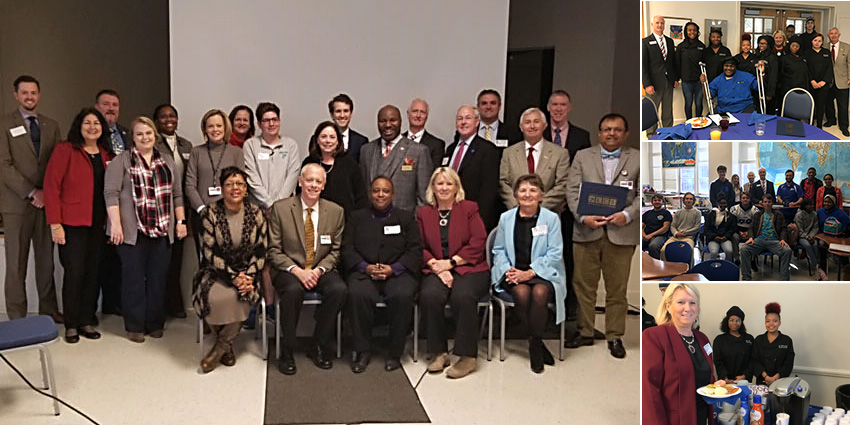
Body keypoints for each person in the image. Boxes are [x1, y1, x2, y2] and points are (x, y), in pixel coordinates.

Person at [104, 116, 188, 342]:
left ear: (155, 135)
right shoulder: (121, 161)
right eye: (139, 133)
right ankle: (134, 325)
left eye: (148, 133)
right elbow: (111, 194)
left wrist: (181, 222)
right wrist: (116, 225)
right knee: (133, 279)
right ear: (133, 137)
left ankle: (154, 323)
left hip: (162, 229)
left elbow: (177, 194)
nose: (144, 137)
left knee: (158, 279)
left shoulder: (168, 160)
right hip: (132, 232)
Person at [566, 113, 638, 359]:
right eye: (607, 129)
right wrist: (583, 217)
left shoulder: (637, 158)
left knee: (617, 289)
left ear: (625, 134)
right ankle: (585, 331)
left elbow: (645, 194)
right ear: (599, 133)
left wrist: (627, 215)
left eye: (617, 130)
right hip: (587, 229)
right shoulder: (582, 157)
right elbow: (572, 191)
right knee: (583, 286)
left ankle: (615, 335)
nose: (611, 134)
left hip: (621, 232)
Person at [267, 164, 346, 375]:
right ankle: (287, 350)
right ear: (300, 181)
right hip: (288, 269)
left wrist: (318, 271)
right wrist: (297, 271)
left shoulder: (336, 212)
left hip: (320, 268)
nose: (313, 185)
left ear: (324, 185)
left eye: (318, 181)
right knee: (293, 291)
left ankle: (319, 345)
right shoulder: (281, 208)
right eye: (309, 180)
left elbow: (336, 251)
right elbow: (273, 250)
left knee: (338, 289)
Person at [44, 108, 113, 342]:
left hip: (98, 224)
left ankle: (86, 319)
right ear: (78, 126)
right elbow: (51, 187)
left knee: (93, 273)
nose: (92, 127)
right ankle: (71, 324)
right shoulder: (66, 150)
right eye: (87, 123)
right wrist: (55, 224)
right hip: (72, 223)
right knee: (74, 273)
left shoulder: (106, 154)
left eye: (97, 123)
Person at [342, 176, 421, 373]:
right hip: (365, 271)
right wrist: (365, 267)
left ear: (393, 194)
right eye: (376, 190)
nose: (380, 194)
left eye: (385, 191)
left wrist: (393, 269)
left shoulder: (406, 218)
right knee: (358, 294)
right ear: (370, 193)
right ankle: (362, 350)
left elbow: (415, 250)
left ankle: (394, 352)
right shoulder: (356, 217)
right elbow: (347, 249)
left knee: (402, 296)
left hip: (398, 273)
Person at [417, 168, 490, 379]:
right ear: (432, 187)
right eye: (439, 183)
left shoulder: (469, 208)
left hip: (469, 267)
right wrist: (435, 265)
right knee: (430, 295)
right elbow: (418, 246)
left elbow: (478, 242)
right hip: (435, 267)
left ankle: (467, 356)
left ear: (457, 187)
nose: (444, 188)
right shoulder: (424, 213)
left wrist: (450, 264)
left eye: (449, 184)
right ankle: (438, 353)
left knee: (463, 296)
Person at [192, 167, 267, 373]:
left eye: (240, 184)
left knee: (242, 296)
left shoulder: (257, 213)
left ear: (246, 188)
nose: (235, 188)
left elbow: (261, 251)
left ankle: (220, 348)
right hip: (216, 272)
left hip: (249, 274)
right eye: (230, 184)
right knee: (214, 298)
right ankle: (227, 346)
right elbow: (209, 252)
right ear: (222, 188)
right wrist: (234, 277)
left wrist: (248, 276)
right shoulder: (209, 213)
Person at [0, 75, 62, 321]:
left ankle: (48, 311)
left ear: (39, 95)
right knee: (16, 264)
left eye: (33, 92)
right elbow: (4, 166)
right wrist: (31, 192)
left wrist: (47, 193)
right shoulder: (4, 124)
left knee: (46, 261)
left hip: (47, 204)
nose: (29, 97)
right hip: (16, 205)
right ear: (16, 95)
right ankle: (16, 316)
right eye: (24, 92)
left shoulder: (51, 125)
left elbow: (57, 164)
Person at [491, 174, 566, 373]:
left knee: (540, 293)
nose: (527, 195)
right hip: (514, 272)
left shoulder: (551, 219)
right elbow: (498, 250)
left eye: (533, 190)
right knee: (522, 293)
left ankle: (534, 342)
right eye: (523, 190)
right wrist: (509, 270)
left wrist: (531, 272)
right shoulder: (506, 218)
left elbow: (555, 253)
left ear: (541, 195)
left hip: (543, 273)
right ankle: (537, 343)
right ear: (515, 195)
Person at [643, 283, 718, 425]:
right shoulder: (654, 336)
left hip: (702, 417)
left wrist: (715, 386)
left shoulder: (703, 339)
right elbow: (648, 391)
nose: (688, 308)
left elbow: (702, 378)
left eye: (692, 303)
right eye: (681, 302)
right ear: (668, 306)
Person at [185, 109, 245, 255]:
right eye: (210, 126)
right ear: (205, 129)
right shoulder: (196, 152)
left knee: (229, 260)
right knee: (206, 261)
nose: (215, 130)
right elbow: (190, 185)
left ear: (225, 128)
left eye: (219, 126)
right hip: (202, 214)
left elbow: (240, 185)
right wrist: (202, 210)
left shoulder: (236, 152)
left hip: (230, 215)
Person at [153, 103, 193, 318]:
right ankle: (160, 307)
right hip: (159, 209)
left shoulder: (186, 145)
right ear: (156, 120)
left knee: (177, 259)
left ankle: (175, 303)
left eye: (172, 116)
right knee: (161, 260)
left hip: (181, 209)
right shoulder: (153, 143)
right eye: (163, 116)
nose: (168, 120)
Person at [360, 105, 432, 212]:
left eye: (393, 120)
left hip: (404, 222)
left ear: (401, 122)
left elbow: (424, 197)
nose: (388, 125)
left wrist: (414, 223)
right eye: (383, 121)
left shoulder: (418, 151)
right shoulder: (366, 150)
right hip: (372, 220)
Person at [498, 107, 569, 212]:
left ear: (544, 126)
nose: (532, 126)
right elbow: (503, 182)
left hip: (547, 213)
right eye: (527, 122)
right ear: (521, 127)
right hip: (515, 212)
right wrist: (517, 206)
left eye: (536, 122)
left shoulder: (559, 153)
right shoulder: (509, 152)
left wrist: (537, 206)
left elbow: (563, 185)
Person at [443, 105, 501, 231]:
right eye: (460, 119)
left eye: (468, 118)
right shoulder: (450, 149)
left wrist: (479, 221)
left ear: (477, 122)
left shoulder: (487, 149)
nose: (463, 122)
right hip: (448, 214)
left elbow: (489, 191)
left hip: (473, 216)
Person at [243, 102, 301, 211]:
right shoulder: (250, 145)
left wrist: (278, 205)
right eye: (266, 121)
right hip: (257, 208)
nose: (271, 124)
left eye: (275, 119)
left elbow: (292, 176)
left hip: (286, 207)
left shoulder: (290, 145)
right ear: (259, 124)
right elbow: (252, 177)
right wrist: (269, 203)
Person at [301, 121, 367, 216]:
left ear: (338, 141)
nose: (328, 141)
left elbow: (361, 197)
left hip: (346, 220)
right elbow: (301, 193)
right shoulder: (309, 162)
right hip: (314, 219)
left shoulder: (349, 164)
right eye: (323, 137)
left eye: (332, 137)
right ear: (317, 140)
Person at [740, 194, 792, 281]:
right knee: (744, 249)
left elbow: (783, 228)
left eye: (769, 202)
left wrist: (783, 239)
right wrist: (751, 237)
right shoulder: (757, 215)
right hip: (759, 240)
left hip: (774, 241)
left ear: (772, 203)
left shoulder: (778, 215)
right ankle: (746, 278)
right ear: (762, 204)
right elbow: (751, 228)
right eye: (765, 202)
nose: (767, 204)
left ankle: (784, 279)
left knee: (787, 251)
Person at [642, 16, 678, 132]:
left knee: (668, 111)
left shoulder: (670, 41)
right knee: (651, 111)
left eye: (662, 23)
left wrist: (676, 78)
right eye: (657, 23)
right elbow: (643, 65)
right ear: (652, 24)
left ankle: (667, 132)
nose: (660, 25)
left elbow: (673, 62)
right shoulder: (645, 42)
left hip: (668, 81)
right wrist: (647, 84)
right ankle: (651, 134)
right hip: (653, 84)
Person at [751, 302, 795, 386]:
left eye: (775, 321)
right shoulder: (759, 340)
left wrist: (775, 378)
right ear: (765, 323)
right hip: (762, 381)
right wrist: (766, 377)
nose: (771, 324)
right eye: (768, 321)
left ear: (779, 323)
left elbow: (788, 363)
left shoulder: (786, 340)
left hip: (780, 382)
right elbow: (754, 361)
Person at [543, 90, 592, 159]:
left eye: (563, 104)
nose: (559, 109)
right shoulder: (539, 134)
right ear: (548, 107)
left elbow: (586, 164)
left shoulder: (582, 137)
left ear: (569, 108)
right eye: (555, 104)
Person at [713, 306, 754, 383]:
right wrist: (725, 378)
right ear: (727, 321)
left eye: (738, 321)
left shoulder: (749, 339)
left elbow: (753, 360)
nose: (734, 323)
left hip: (744, 381)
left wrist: (744, 376)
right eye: (732, 320)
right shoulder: (719, 340)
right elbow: (718, 361)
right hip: (725, 382)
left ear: (741, 323)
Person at [402, 98, 445, 172]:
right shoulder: (398, 140)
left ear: (427, 116)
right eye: (415, 111)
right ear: (408, 114)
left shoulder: (437, 145)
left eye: (422, 112)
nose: (418, 115)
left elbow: (434, 175)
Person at [676, 22, 707, 119]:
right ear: (686, 31)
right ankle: (688, 122)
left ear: (697, 32)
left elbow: (705, 63)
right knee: (688, 103)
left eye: (694, 30)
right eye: (690, 30)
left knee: (698, 103)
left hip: (699, 81)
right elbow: (677, 63)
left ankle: (699, 121)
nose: (692, 32)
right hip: (686, 80)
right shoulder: (681, 47)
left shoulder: (701, 46)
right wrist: (677, 78)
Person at [328, 94, 369, 161]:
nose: (342, 115)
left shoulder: (361, 141)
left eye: (346, 111)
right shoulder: (320, 139)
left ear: (351, 114)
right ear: (332, 115)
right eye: (338, 111)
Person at [816, 194, 850, 275]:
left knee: (843, 250)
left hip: (838, 238)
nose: (826, 204)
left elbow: (847, 227)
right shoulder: (819, 212)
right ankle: (823, 269)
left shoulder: (840, 213)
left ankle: (847, 268)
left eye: (829, 202)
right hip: (823, 236)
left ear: (833, 203)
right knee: (821, 245)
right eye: (825, 201)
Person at [825, 28, 850, 137]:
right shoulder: (824, 47)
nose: (833, 35)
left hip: (843, 80)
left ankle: (844, 126)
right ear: (828, 35)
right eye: (831, 34)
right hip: (829, 81)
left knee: (843, 105)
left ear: (839, 35)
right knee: (828, 103)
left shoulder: (847, 47)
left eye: (835, 33)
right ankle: (831, 120)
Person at [807, 32, 834, 127]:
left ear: (822, 42)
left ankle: (819, 125)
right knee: (811, 104)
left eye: (819, 41)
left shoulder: (826, 52)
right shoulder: (807, 53)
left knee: (821, 105)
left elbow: (830, 68)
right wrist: (812, 81)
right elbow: (806, 69)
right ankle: (810, 124)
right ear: (812, 41)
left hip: (823, 84)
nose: (817, 43)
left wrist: (824, 81)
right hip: (811, 83)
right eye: (815, 40)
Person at [660, 192, 700, 257]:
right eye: (687, 199)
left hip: (688, 237)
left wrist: (685, 233)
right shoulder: (678, 212)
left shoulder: (697, 213)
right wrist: (676, 233)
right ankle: (666, 266)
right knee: (663, 250)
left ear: (693, 201)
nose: (689, 200)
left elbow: (697, 227)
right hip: (676, 237)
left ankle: (689, 266)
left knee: (689, 250)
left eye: (690, 199)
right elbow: (673, 226)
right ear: (684, 200)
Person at [779, 36, 811, 111]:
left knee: (798, 110)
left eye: (797, 46)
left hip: (802, 88)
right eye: (793, 45)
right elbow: (781, 74)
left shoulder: (803, 58)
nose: (795, 48)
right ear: (789, 45)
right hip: (788, 89)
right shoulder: (784, 58)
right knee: (788, 111)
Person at [94, 89, 130, 154]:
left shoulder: (128, 134)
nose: (111, 108)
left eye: (115, 105)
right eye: (106, 104)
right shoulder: (90, 134)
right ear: (96, 107)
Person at [704, 194, 737, 260]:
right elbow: (706, 229)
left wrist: (726, 237)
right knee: (714, 252)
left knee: (729, 251)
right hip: (713, 238)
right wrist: (714, 237)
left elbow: (732, 229)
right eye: (721, 203)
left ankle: (727, 267)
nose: (723, 205)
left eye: (724, 203)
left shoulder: (730, 216)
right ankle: (712, 268)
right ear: (717, 203)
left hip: (725, 238)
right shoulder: (710, 215)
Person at [730, 192, 757, 267]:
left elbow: (756, 225)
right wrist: (740, 232)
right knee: (734, 237)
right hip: (738, 230)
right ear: (740, 199)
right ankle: (737, 259)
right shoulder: (734, 209)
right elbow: (732, 224)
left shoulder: (754, 210)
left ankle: (752, 259)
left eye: (747, 198)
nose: (745, 199)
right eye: (743, 198)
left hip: (750, 231)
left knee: (755, 237)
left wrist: (748, 233)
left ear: (749, 199)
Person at [795, 198, 821, 277]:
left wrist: (811, 236)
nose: (811, 206)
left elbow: (815, 227)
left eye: (812, 204)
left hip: (812, 236)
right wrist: (807, 237)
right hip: (802, 237)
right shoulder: (799, 215)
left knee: (815, 245)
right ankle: (817, 266)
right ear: (805, 206)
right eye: (809, 205)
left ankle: (817, 264)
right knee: (807, 245)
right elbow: (799, 230)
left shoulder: (814, 214)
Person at [754, 35, 780, 114]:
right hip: (757, 89)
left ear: (769, 45)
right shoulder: (757, 56)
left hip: (767, 89)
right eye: (760, 43)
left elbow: (773, 76)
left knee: (767, 112)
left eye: (764, 44)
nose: (761, 45)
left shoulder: (772, 58)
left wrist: (770, 93)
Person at [642, 194, 671, 260]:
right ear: (652, 202)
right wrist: (644, 236)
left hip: (660, 236)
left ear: (662, 202)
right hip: (646, 235)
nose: (657, 202)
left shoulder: (666, 213)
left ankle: (655, 265)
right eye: (655, 200)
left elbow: (665, 228)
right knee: (637, 244)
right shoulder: (647, 213)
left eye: (659, 200)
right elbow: (640, 227)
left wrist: (651, 235)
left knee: (653, 246)